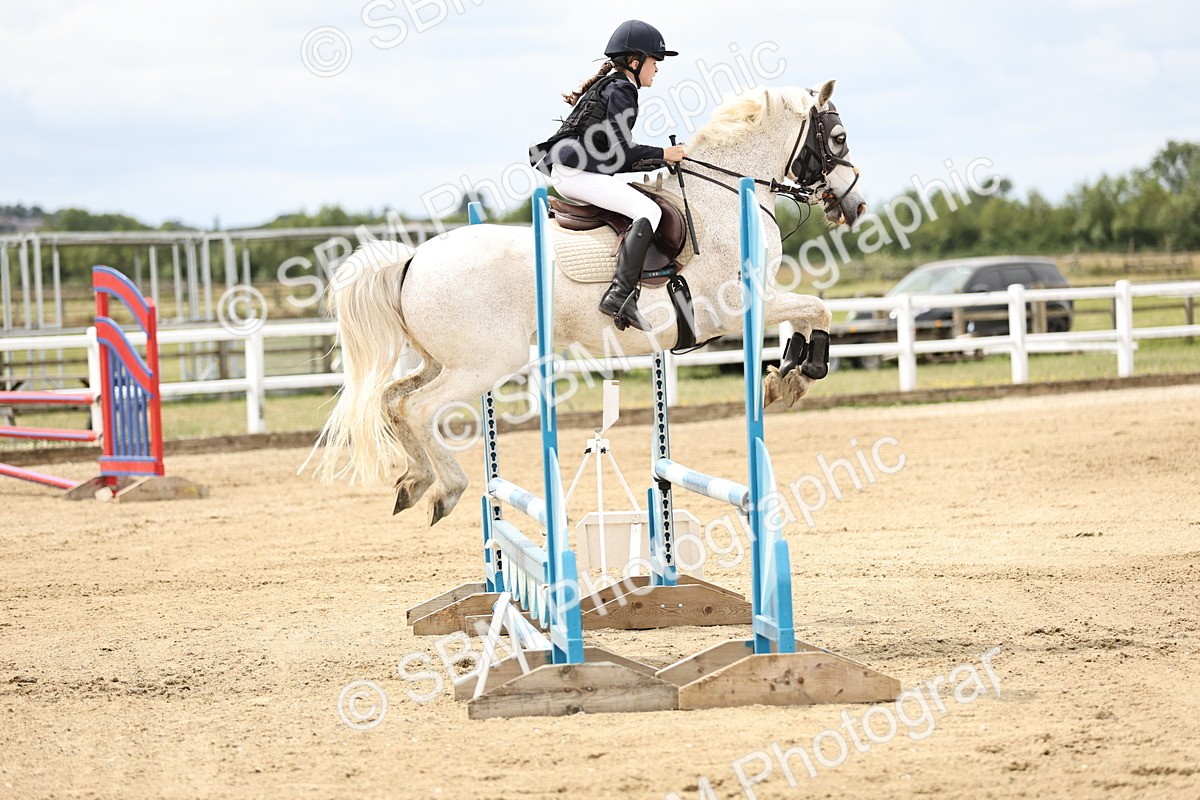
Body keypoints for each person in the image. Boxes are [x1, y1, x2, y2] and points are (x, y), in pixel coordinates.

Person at [530, 20, 686, 331]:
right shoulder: (624, 89)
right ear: (634, 61)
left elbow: (614, 157)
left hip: (571, 170)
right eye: (655, 61)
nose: (657, 69)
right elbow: (621, 153)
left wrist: (656, 162)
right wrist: (663, 154)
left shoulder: (608, 85)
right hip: (576, 174)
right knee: (648, 210)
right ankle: (620, 294)